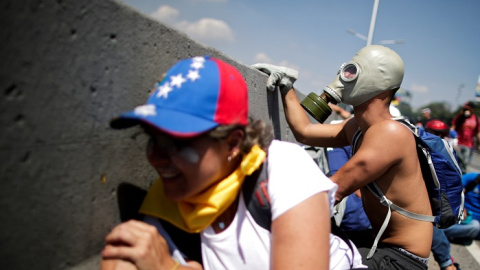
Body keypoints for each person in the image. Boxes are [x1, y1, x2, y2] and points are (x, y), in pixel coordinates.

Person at [101, 56, 364, 269]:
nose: (156, 158)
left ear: (232, 143)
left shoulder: (282, 168)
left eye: (179, 144)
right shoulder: (164, 209)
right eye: (153, 140)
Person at [253, 45, 433, 269]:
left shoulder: (391, 133)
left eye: (353, 72)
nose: (344, 77)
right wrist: (287, 86)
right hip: (374, 241)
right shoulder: (357, 126)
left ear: (378, 82)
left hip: (402, 259)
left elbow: (331, 191)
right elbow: (305, 132)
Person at [451, 101, 480, 173]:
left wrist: (479, 144)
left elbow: (478, 133)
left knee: (465, 163)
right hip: (458, 143)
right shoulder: (460, 117)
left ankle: (462, 178)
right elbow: (453, 128)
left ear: (472, 109)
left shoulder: (476, 119)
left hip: (469, 145)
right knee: (455, 161)